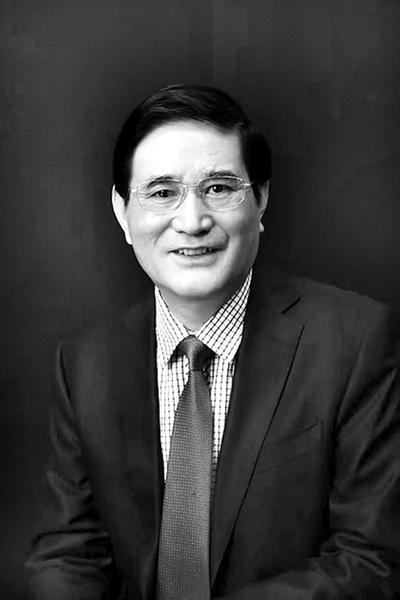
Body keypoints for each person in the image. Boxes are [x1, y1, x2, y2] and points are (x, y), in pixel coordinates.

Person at [26, 84, 400, 599]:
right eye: (162, 193)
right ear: (121, 212)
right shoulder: (86, 363)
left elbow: (372, 559)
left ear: (261, 199)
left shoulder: (358, 343)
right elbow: (70, 552)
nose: (193, 221)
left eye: (219, 188)